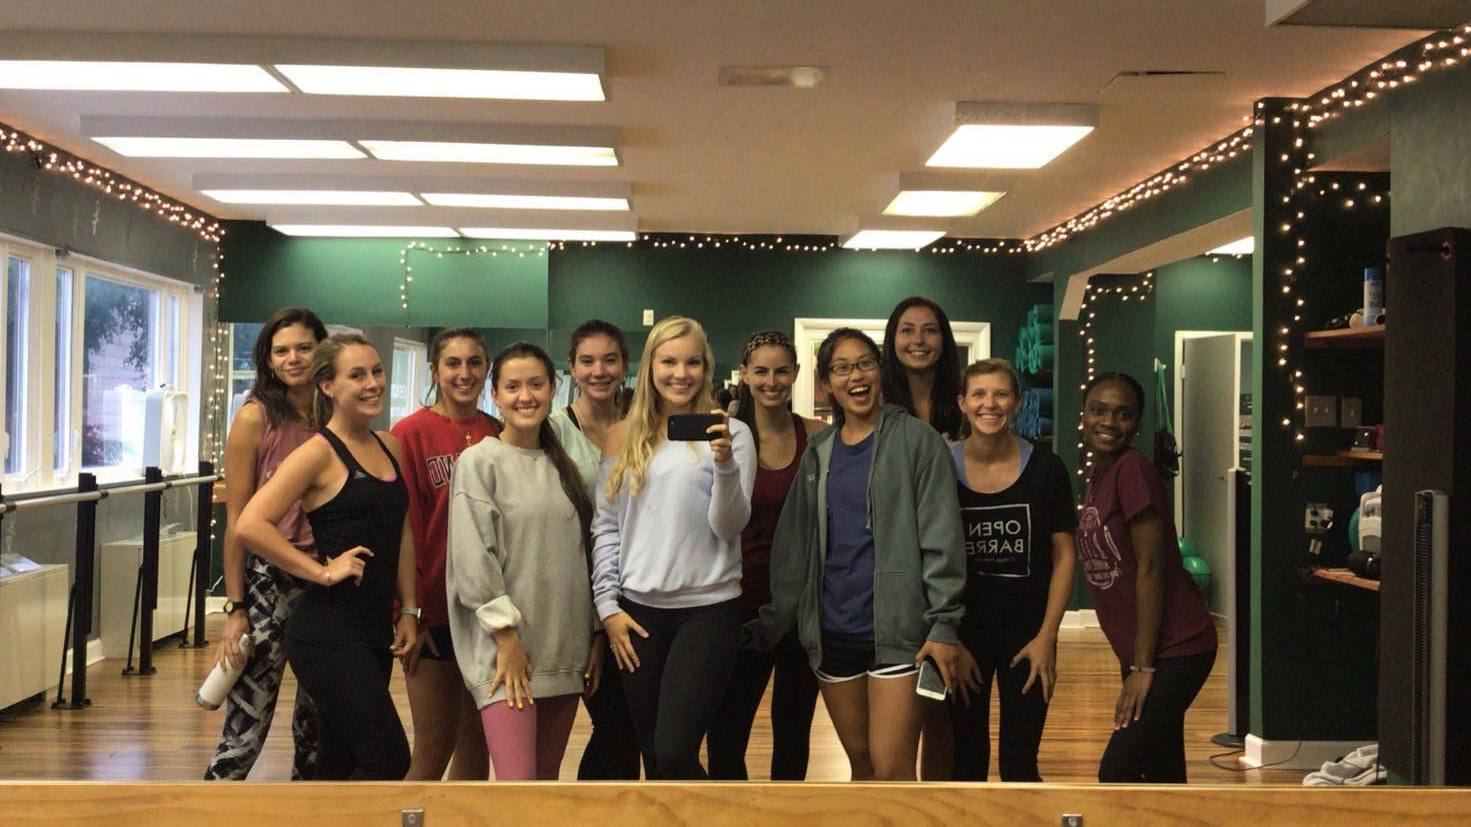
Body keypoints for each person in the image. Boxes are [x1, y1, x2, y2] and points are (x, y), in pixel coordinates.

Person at [752, 328, 970, 781]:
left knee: (892, 771)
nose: (857, 376)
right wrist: (774, 621)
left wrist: (945, 622)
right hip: (832, 633)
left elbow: (942, 538)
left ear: (881, 371)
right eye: (842, 367)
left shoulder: (918, 442)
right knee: (863, 767)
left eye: (865, 363)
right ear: (827, 383)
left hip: (899, 633)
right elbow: (795, 548)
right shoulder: (819, 452)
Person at [236, 333, 420, 780]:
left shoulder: (388, 446)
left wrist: (410, 608)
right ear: (328, 386)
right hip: (328, 635)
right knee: (389, 758)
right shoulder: (317, 453)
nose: (373, 383)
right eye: (356, 375)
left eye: (376, 371)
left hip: (374, 631)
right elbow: (249, 524)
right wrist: (319, 571)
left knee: (339, 766)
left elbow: (401, 530)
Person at [593, 315, 757, 779]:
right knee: (654, 756)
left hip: (709, 611)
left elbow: (729, 527)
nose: (680, 373)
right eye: (668, 361)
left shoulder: (733, 434)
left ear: (706, 368)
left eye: (692, 362)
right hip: (637, 613)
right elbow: (606, 527)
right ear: (649, 367)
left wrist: (723, 464)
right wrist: (607, 606)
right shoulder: (622, 435)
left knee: (673, 751)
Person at [447, 342, 602, 780]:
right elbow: (474, 560)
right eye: (512, 387)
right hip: (506, 657)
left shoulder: (565, 466)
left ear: (554, 389)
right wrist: (506, 638)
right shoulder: (480, 462)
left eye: (536, 384)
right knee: (518, 788)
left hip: (562, 650)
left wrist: (593, 634)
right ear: (494, 395)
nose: (525, 396)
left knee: (545, 786)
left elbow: (583, 558)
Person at [205, 306, 327, 781]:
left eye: (303, 347)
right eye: (282, 351)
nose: (294, 358)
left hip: (325, 580)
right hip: (267, 584)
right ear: (269, 360)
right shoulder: (254, 418)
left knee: (316, 726)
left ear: (321, 353)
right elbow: (238, 520)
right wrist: (235, 608)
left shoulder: (336, 414)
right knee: (246, 726)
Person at [1077, 372, 1217, 783]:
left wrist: (1142, 669)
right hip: (1148, 650)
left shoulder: (1133, 469)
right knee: (1161, 772)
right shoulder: (1102, 474)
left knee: (1116, 771)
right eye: (1098, 410)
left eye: (1123, 414)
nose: (1108, 422)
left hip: (1175, 649)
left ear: (1136, 424)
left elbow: (1152, 568)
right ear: (1083, 415)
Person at [947, 359, 1078, 781]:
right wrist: (948, 637)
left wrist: (1048, 637)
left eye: (1001, 393)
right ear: (962, 403)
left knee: (1020, 765)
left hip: (1029, 638)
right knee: (965, 763)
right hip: (963, 638)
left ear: (1018, 402)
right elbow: (923, 556)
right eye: (979, 394)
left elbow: (1064, 556)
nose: (990, 404)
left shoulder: (1047, 468)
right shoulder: (940, 466)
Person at [708, 330, 823, 780]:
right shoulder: (724, 437)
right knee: (726, 732)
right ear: (745, 375)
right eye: (761, 371)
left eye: (781, 371)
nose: (771, 380)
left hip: (798, 606)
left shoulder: (816, 436)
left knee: (793, 731)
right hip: (739, 601)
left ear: (795, 374)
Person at [391, 328, 500, 781]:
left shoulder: (498, 432)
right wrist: (407, 610)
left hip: (488, 611)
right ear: (435, 371)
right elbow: (407, 528)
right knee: (435, 747)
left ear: (487, 370)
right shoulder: (409, 434)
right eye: (453, 364)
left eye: (474, 363)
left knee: (478, 748)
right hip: (433, 610)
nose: (464, 373)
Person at [547, 320, 643, 780]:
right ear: (572, 366)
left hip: (641, 594)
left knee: (635, 728)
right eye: (587, 360)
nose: (599, 370)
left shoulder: (646, 426)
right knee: (615, 727)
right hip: (579, 601)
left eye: (609, 359)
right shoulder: (551, 432)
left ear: (625, 365)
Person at [880, 296, 964, 440]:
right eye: (907, 330)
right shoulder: (875, 403)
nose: (918, 340)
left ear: (944, 339)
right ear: (892, 339)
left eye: (930, 330)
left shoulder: (967, 399)